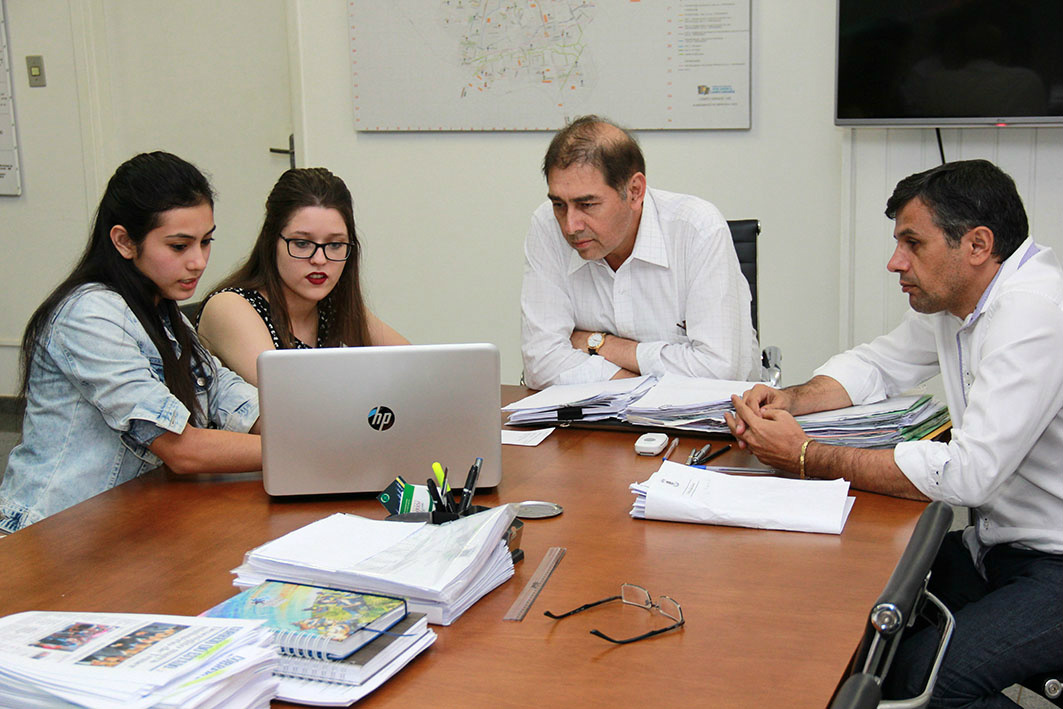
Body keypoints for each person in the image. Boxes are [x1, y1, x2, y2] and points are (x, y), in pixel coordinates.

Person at [726, 160, 1062, 708]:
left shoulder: (1033, 314)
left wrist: (807, 455)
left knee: (917, 680)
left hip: (1053, 563)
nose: (895, 262)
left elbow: (968, 476)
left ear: (977, 245)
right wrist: (793, 399)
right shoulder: (962, 300)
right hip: (999, 548)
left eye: (913, 243)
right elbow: (878, 364)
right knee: (851, 609)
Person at [0, 152, 262, 533]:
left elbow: (226, 393)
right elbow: (180, 448)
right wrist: (300, 451)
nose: (199, 261)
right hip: (47, 534)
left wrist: (312, 429)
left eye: (206, 241)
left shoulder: (162, 309)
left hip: (125, 523)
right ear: (124, 242)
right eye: (179, 246)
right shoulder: (88, 314)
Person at [520, 115, 760, 390]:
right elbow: (540, 362)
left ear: (635, 191)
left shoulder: (698, 229)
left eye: (587, 205)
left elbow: (719, 371)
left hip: (711, 416)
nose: (570, 226)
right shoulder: (547, 226)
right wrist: (639, 384)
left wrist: (600, 344)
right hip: (595, 413)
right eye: (559, 205)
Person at [196, 167, 407, 385]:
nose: (319, 259)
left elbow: (416, 368)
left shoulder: (332, 306)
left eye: (335, 244)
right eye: (302, 243)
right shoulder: (229, 306)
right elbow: (288, 395)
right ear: (271, 241)